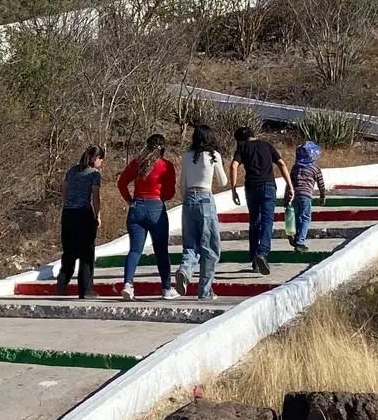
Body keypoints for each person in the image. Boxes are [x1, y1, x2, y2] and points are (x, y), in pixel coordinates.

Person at [117, 134, 179, 301]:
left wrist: (130, 200)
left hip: (137, 206)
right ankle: (166, 288)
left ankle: (128, 285)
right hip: (156, 207)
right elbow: (171, 192)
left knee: (135, 250)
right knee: (161, 251)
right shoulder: (166, 165)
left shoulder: (138, 162)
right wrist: (162, 198)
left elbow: (121, 183)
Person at [229, 127, 294, 275]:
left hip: (251, 188)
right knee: (267, 221)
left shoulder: (242, 147)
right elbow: (282, 164)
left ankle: (254, 258)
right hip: (268, 186)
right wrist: (290, 185)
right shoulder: (267, 145)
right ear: (254, 135)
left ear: (239, 140)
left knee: (254, 222)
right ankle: (262, 252)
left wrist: (233, 190)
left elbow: (233, 166)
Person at [175, 125, 227, 300]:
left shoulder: (187, 156)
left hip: (188, 200)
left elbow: (182, 184)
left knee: (190, 245)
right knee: (210, 248)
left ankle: (185, 269)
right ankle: (204, 291)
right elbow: (223, 181)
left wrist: (186, 201)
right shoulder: (213, 156)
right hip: (205, 198)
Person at [57, 146, 105, 299]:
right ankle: (85, 289)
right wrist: (97, 214)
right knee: (86, 253)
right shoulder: (94, 174)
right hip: (83, 214)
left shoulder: (72, 170)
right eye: (101, 159)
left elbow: (64, 188)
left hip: (68, 213)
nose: (102, 162)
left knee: (69, 250)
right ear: (95, 158)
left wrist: (67, 204)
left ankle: (63, 281)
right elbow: (95, 196)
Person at [288, 142, 325, 251]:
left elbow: (289, 182)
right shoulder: (315, 169)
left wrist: (287, 196)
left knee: (298, 217)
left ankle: (296, 237)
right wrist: (322, 196)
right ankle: (300, 242)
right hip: (306, 195)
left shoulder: (295, 168)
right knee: (305, 218)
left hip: (295, 195)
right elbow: (321, 184)